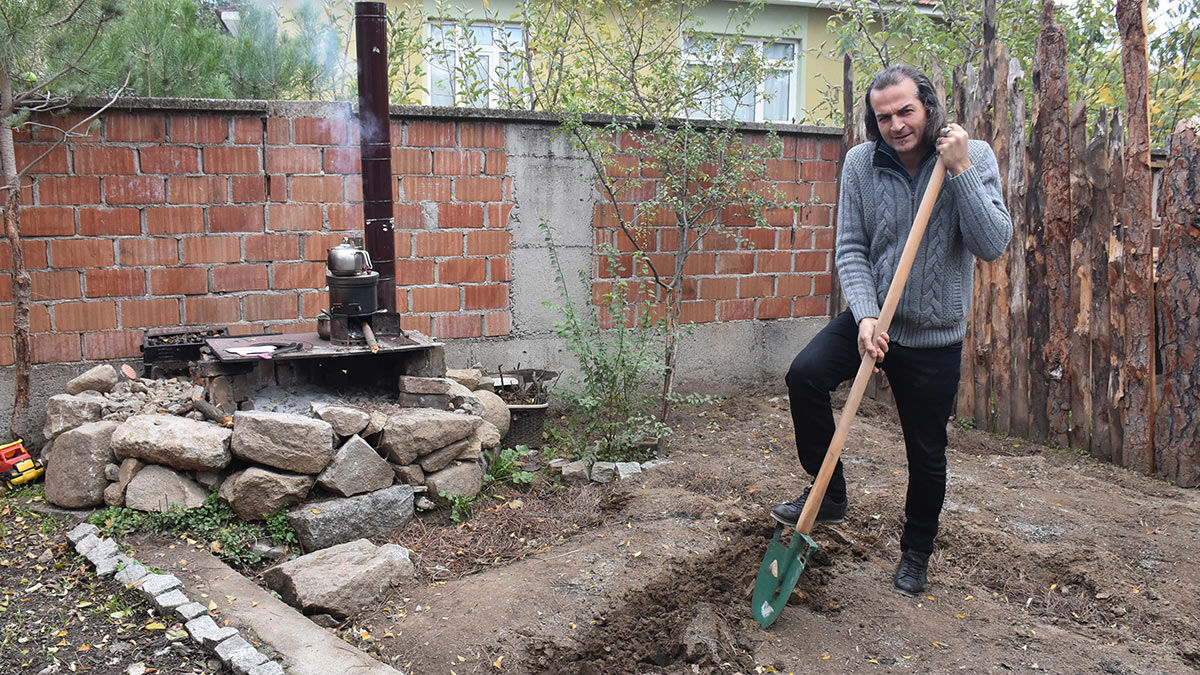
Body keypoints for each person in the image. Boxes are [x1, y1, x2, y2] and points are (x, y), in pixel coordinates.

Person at [771, 64, 1013, 596]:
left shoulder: (972, 158)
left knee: (925, 452)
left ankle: (915, 554)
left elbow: (992, 243)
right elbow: (852, 248)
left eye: (906, 111)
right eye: (885, 117)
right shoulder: (861, 164)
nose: (897, 124)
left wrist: (962, 171)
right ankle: (829, 495)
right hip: (874, 319)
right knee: (805, 375)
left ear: (927, 106)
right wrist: (864, 315)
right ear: (872, 120)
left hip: (933, 335)